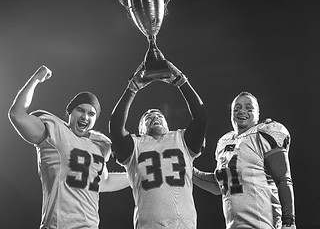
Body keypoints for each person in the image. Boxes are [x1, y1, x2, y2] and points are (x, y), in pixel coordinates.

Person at [8, 65, 129, 229]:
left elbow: (104, 182)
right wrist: (35, 79)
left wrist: (137, 175)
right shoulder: (54, 130)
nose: (85, 116)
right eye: (80, 110)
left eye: (91, 113)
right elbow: (17, 114)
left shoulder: (99, 144)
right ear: (70, 113)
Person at [109, 61, 208, 229]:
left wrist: (182, 81)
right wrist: (132, 88)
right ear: (140, 129)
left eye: (159, 115)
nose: (154, 116)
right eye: (147, 117)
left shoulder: (181, 139)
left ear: (168, 124)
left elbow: (201, 118)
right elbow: (115, 125)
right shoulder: (134, 145)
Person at [192, 91, 296, 229]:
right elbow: (221, 186)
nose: (242, 111)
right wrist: (190, 170)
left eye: (249, 108)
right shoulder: (224, 142)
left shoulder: (264, 133)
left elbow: (283, 179)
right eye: (237, 108)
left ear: (258, 114)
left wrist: (289, 221)